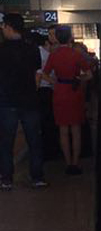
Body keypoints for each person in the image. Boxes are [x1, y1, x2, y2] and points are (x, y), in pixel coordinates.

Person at [0, 13, 46, 189]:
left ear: (10, 27)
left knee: (6, 142)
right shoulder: (32, 49)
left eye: (4, 26)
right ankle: (37, 177)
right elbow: (37, 74)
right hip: (29, 101)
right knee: (34, 141)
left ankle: (6, 179)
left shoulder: (1, 50)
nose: (3, 29)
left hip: (7, 101)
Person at [40, 25, 91, 175]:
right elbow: (89, 74)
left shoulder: (54, 55)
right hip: (74, 91)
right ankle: (76, 163)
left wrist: (54, 82)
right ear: (70, 37)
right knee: (75, 130)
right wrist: (78, 78)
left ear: (57, 37)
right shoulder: (76, 55)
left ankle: (67, 163)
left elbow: (44, 74)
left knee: (63, 130)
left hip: (59, 91)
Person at [31, 32, 59, 160]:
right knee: (47, 121)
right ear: (47, 43)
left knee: (46, 122)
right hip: (44, 90)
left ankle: (48, 150)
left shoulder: (47, 54)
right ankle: (49, 151)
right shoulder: (43, 54)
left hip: (45, 91)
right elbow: (40, 74)